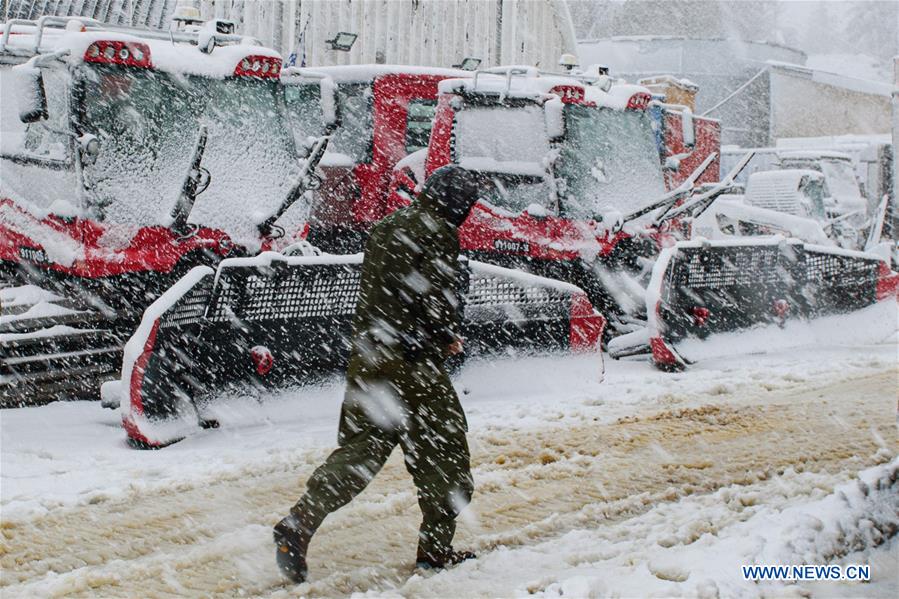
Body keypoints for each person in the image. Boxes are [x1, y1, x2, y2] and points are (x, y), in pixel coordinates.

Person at [273, 165, 487, 583]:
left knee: (361, 452)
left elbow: (387, 288)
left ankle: (300, 522)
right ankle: (435, 551)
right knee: (445, 452)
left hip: (370, 356)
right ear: (457, 203)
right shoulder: (439, 230)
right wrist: (445, 335)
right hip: (412, 362)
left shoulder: (391, 224)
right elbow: (435, 296)